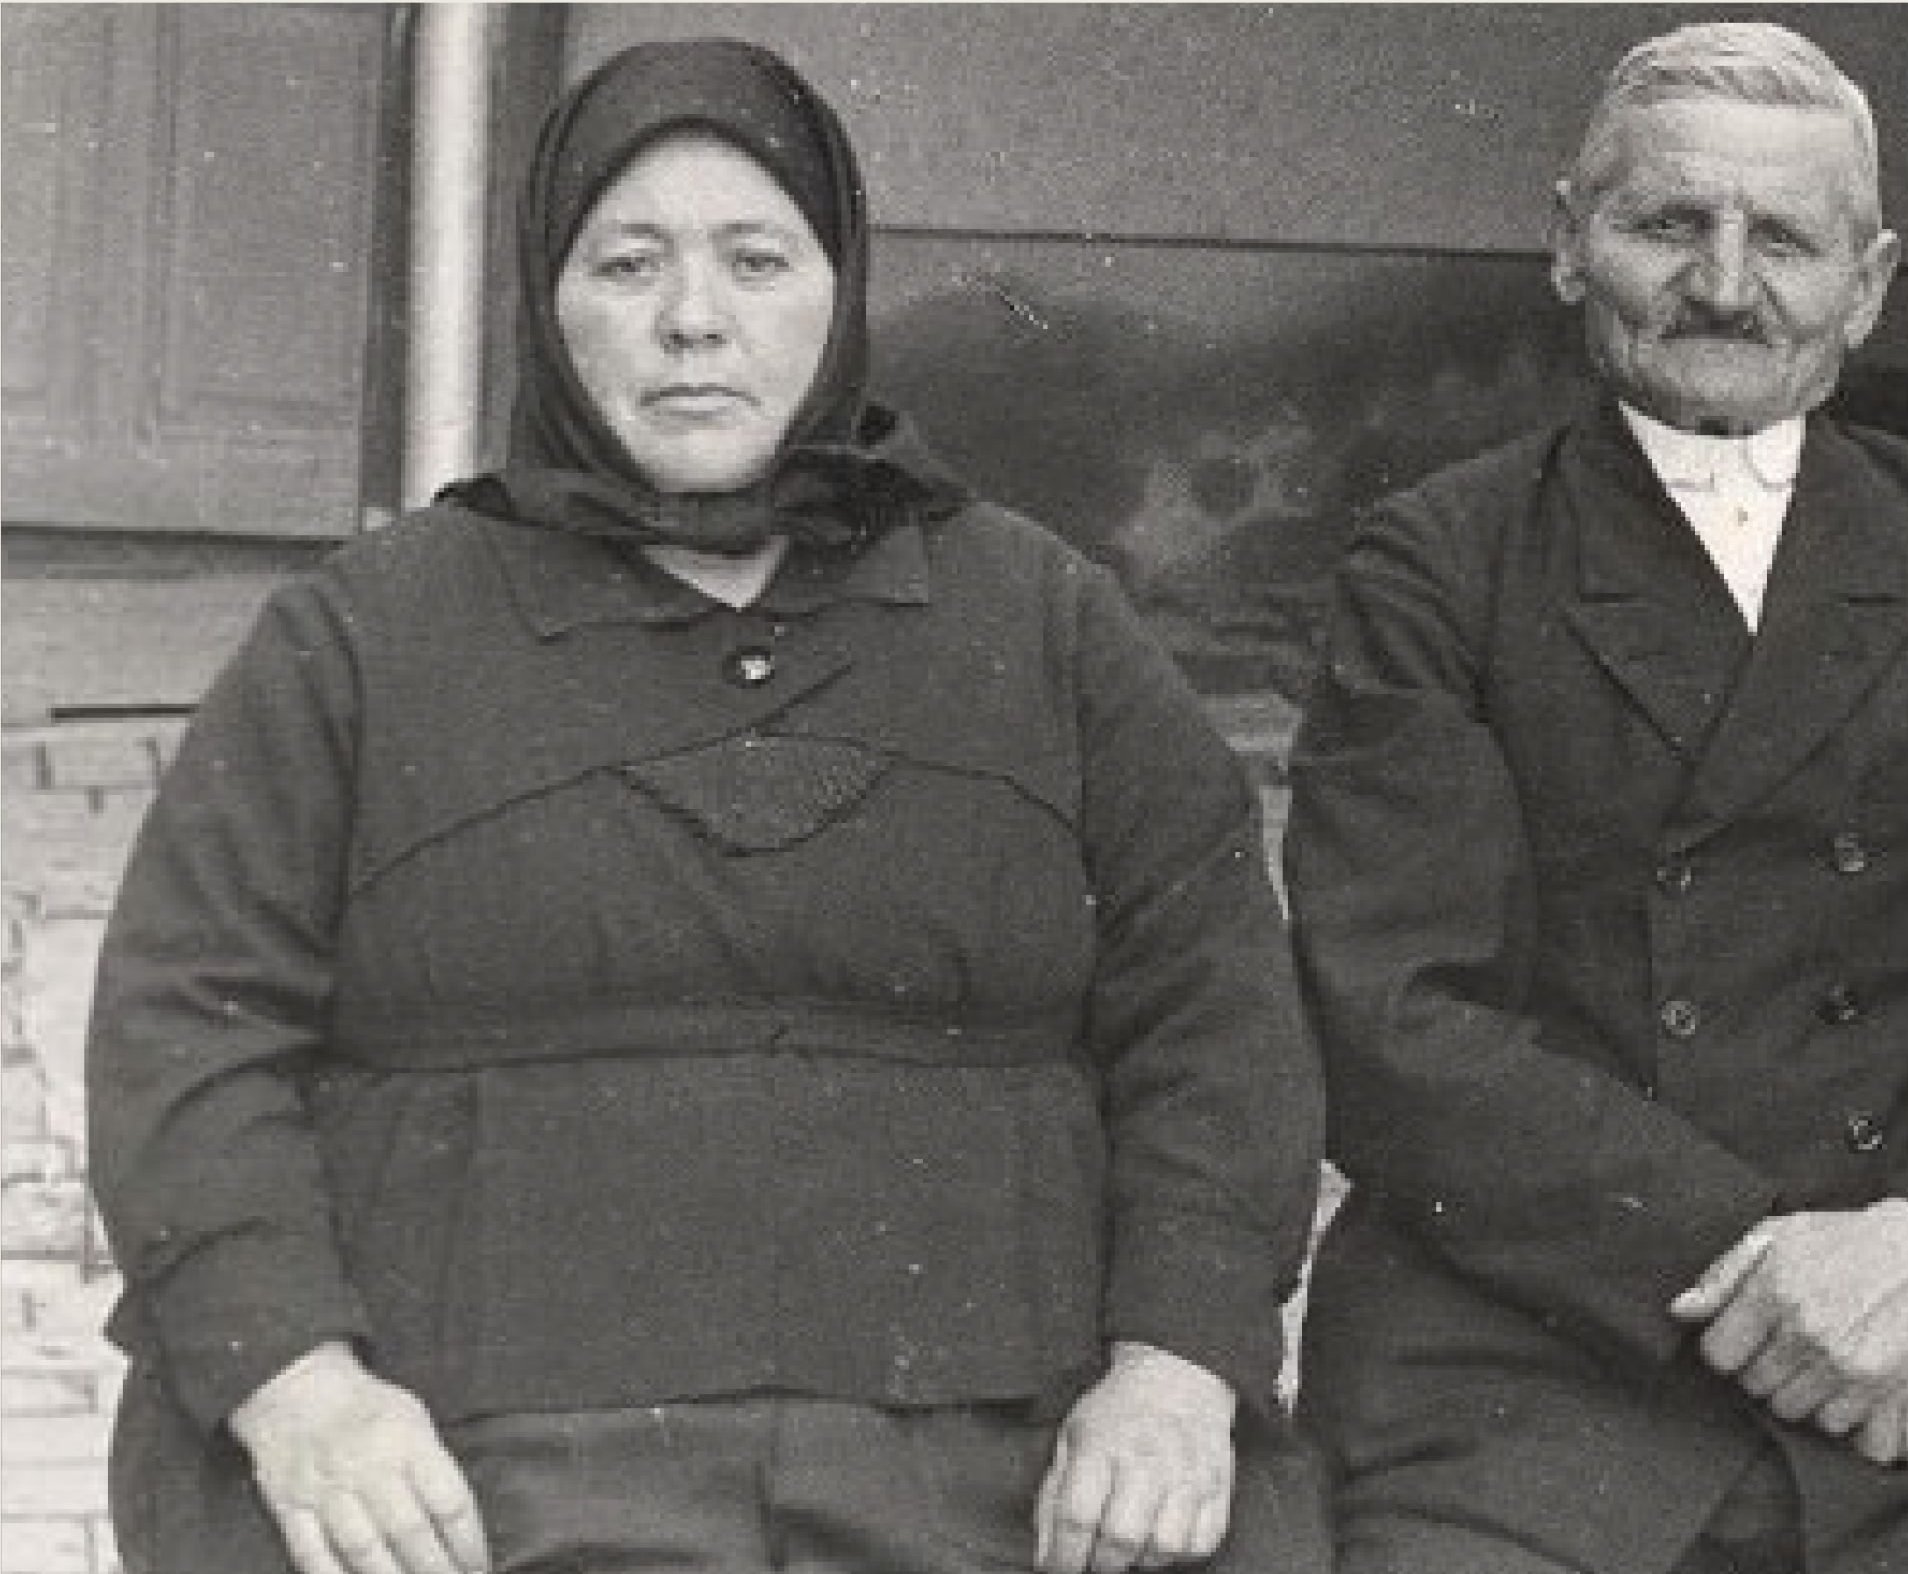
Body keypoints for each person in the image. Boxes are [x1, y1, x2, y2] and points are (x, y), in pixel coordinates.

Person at [88, 39, 1327, 1574]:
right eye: (627, 263)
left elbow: (1216, 1016)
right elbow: (185, 1032)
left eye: (756, 258)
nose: (693, 320)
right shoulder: (364, 634)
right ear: (547, 298)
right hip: (475, 1450)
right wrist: (302, 1385)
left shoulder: (1043, 619)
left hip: (997, 1449)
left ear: (841, 284)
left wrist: (1174, 1369)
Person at [1284, 22, 1908, 1574]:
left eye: (1783, 238)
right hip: (1529, 1378)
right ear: (1570, 243)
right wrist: (1789, 1280)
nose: (1725, 285)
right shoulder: (1438, 563)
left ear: (1868, 281)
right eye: (1668, 225)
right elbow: (1398, 1020)